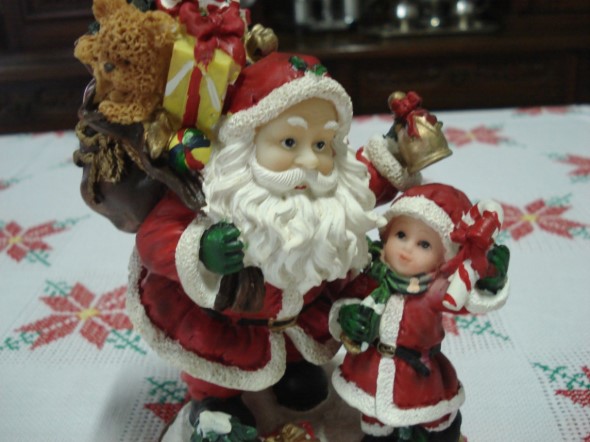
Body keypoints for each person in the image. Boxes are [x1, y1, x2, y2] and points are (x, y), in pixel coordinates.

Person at [124, 52, 428, 439]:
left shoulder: (328, 191)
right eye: (289, 141)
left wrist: (397, 150)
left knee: (304, 377)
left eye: (322, 143)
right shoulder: (217, 192)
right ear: (247, 138)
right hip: (227, 322)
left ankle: (293, 371)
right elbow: (154, 236)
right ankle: (215, 403)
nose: (309, 160)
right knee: (217, 368)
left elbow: (364, 183)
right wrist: (201, 249)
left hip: (298, 319)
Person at [330, 183, 510, 442]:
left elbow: (467, 300)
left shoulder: (435, 289)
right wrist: (346, 315)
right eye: (401, 235)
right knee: (375, 417)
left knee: (429, 415)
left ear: (442, 258)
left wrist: (490, 278)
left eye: (424, 244)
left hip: (417, 373)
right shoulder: (373, 276)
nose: (407, 249)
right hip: (372, 367)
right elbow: (348, 297)